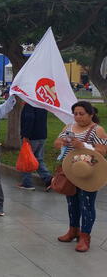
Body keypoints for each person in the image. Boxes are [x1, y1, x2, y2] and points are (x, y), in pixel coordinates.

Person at [53, 101, 107, 252]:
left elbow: (102, 151)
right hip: (71, 171)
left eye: (81, 114)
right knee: (72, 202)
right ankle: (73, 231)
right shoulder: (68, 127)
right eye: (75, 114)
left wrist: (83, 146)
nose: (78, 117)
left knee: (87, 204)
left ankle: (85, 236)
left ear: (91, 114)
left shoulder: (97, 130)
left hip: (89, 173)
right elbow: (56, 143)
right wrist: (63, 142)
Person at [18, 102, 52, 190]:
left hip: (32, 136)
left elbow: (29, 118)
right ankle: (48, 179)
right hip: (42, 135)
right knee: (38, 158)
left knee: (27, 159)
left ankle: (27, 183)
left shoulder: (29, 104)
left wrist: (26, 135)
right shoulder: (41, 104)